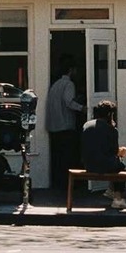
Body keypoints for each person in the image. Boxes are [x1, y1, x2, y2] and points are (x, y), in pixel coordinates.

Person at [45, 55, 85, 190]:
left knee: (58, 159)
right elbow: (69, 102)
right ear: (71, 70)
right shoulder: (69, 84)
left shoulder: (55, 85)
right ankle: (69, 186)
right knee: (68, 159)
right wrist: (83, 108)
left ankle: (59, 185)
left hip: (54, 127)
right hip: (65, 127)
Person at [81, 100, 126, 209]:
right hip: (103, 165)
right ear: (110, 114)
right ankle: (117, 198)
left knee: (114, 162)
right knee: (121, 166)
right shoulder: (111, 130)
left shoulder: (87, 125)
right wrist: (121, 151)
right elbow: (113, 151)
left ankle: (111, 190)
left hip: (88, 164)